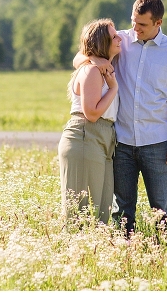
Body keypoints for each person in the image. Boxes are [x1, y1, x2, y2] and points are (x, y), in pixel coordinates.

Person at [74, 0, 167, 235]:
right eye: (133, 22)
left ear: (158, 23)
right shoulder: (120, 41)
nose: (135, 29)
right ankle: (127, 255)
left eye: (143, 25)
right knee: (122, 210)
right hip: (122, 142)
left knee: (164, 210)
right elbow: (79, 58)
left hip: (157, 142)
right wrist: (95, 58)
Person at [58, 18, 122, 224]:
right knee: (82, 212)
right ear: (103, 42)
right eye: (113, 36)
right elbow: (91, 113)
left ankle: (94, 253)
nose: (119, 37)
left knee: (101, 211)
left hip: (103, 138)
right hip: (86, 135)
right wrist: (113, 89)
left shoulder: (103, 67)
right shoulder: (92, 71)